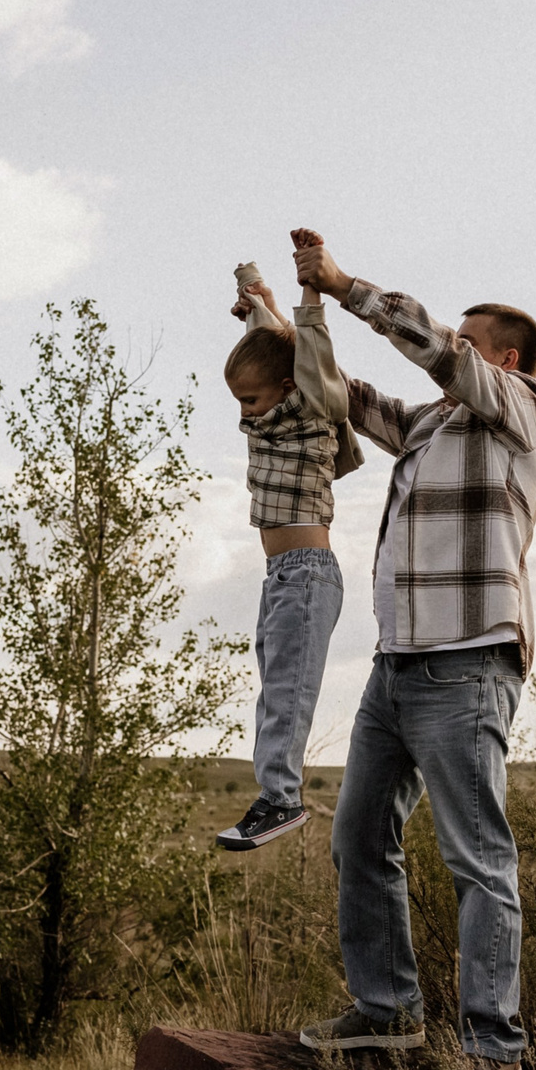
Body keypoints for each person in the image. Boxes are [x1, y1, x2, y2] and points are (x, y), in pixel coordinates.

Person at [287, 226, 536, 1070]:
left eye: (468, 341)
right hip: (394, 670)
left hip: (467, 665)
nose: (452, 350)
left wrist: (348, 283)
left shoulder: (520, 411)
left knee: (479, 860)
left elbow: (436, 351)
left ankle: (493, 1049)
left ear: (504, 357)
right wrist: (291, 322)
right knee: (359, 834)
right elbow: (344, 398)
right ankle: (388, 1009)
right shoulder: (431, 427)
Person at [216, 261, 363, 851]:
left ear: (285, 390)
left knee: (286, 692)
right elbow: (272, 346)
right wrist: (257, 297)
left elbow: (309, 352)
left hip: (306, 576)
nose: (244, 412)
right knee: (273, 683)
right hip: (283, 576)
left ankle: (281, 800)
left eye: (250, 400)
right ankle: (275, 794)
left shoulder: (308, 411)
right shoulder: (273, 408)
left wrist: (308, 293)